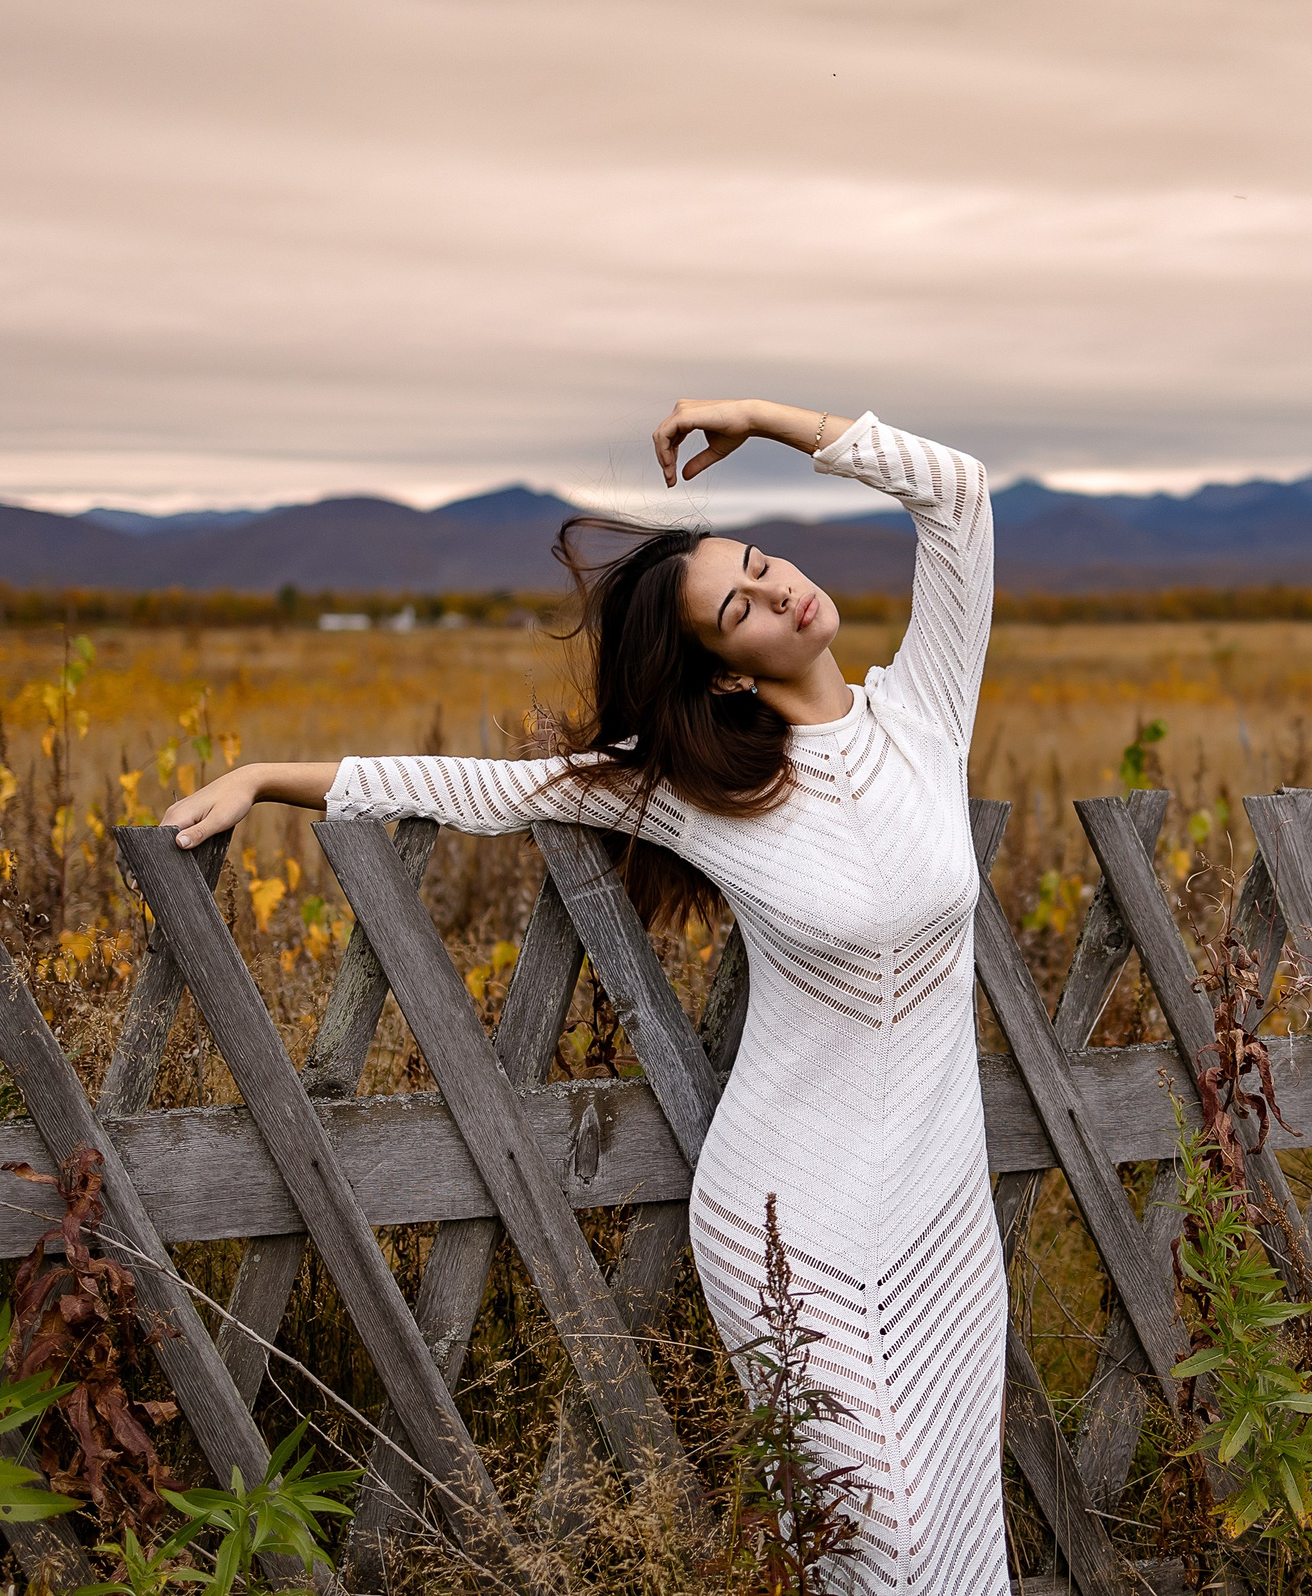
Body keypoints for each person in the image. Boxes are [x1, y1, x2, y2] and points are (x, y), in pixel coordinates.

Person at [162, 399, 1008, 1594]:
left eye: (763, 566)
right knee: (884, 1535)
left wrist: (769, 420)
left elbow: (960, 497)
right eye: (740, 608)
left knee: (956, 1511)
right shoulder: (692, 793)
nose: (779, 596)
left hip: (940, 1203)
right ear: (719, 669)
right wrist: (265, 774)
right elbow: (479, 788)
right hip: (789, 1218)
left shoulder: (924, 716)